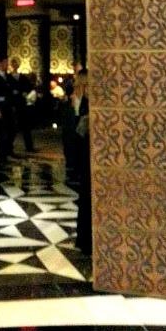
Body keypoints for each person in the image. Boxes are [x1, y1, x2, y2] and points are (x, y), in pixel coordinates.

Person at [74, 69, 91, 255]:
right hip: (85, 155)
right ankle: (84, 240)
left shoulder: (86, 102)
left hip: (87, 156)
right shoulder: (83, 101)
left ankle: (85, 240)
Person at [9, 59, 35, 152]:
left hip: (22, 104)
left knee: (26, 126)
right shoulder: (8, 78)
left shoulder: (23, 77)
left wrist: (25, 92)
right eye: (13, 63)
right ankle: (9, 146)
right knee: (12, 127)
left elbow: (29, 87)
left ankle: (29, 147)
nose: (15, 65)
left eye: (16, 63)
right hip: (12, 104)